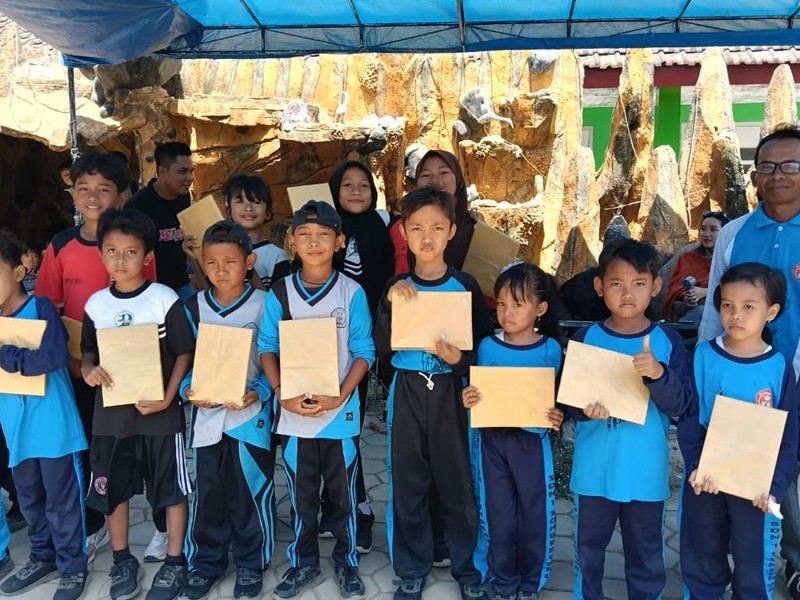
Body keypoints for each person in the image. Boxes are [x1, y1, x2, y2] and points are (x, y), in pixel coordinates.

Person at [36, 151, 158, 564]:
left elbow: (152, 307)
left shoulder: (139, 245)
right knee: (92, 449)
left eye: (103, 189)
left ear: (122, 196)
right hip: (80, 371)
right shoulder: (60, 246)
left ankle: (161, 524)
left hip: (135, 368)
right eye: (83, 188)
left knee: (143, 447)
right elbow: (48, 311)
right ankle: (95, 525)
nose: (92, 197)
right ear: (71, 191)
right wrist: (74, 365)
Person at [373, 187, 493, 600]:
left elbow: (483, 349)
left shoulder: (464, 286)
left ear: (452, 231)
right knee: (408, 481)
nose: (427, 237)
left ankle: (468, 568)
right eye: (418, 228)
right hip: (408, 391)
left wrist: (459, 361)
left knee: (458, 480)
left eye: (437, 228)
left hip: (451, 394)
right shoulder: (397, 286)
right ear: (403, 232)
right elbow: (382, 347)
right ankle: (411, 567)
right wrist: (389, 304)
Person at [697, 126, 800, 598]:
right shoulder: (733, 234)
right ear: (754, 175)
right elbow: (713, 311)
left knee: (789, 473)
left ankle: (793, 560)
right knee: (735, 467)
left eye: (791, 165)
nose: (778, 175)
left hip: (792, 374)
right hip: (740, 375)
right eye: (768, 166)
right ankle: (722, 564)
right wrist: (705, 366)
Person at [258, 200, 375, 600]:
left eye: (323, 235)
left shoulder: (351, 292)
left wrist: (340, 395)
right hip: (294, 416)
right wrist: (281, 394)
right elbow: (267, 346)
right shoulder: (280, 292)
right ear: (291, 241)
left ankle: (347, 561)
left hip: (339, 415)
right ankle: (303, 562)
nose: (314, 242)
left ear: (339, 242)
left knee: (343, 496)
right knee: (302, 495)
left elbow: (364, 351)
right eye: (304, 235)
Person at [568, 238, 693, 600]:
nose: (627, 293)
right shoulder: (586, 337)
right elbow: (569, 402)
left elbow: (681, 405)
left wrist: (658, 374)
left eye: (638, 283)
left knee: (646, 552)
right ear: (599, 286)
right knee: (588, 550)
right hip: (594, 470)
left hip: (644, 470)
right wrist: (583, 410)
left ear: (655, 286)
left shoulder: (666, 341)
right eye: (616, 283)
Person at [80, 208, 195, 600]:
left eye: (131, 252)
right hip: (112, 418)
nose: (120, 259)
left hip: (160, 415)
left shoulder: (162, 299)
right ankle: (122, 559)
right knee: (112, 489)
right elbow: (88, 351)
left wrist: (168, 397)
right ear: (101, 255)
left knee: (171, 487)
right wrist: (88, 369)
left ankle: (175, 560)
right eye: (112, 251)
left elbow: (184, 351)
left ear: (147, 256)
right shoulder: (96, 305)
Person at [679, 263, 798, 598]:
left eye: (748, 307)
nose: (736, 315)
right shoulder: (704, 355)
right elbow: (690, 415)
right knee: (703, 549)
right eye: (727, 305)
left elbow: (788, 434)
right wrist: (696, 464)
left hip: (756, 485)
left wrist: (774, 487)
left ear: (771, 312)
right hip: (708, 476)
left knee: (752, 558)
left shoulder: (779, 365)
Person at [180, 221, 275, 599]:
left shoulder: (265, 304)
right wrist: (188, 389)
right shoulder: (195, 306)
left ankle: (251, 563)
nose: (220, 270)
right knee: (209, 492)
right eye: (212, 262)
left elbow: (276, 356)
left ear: (249, 262)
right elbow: (186, 359)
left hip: (249, 417)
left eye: (230, 261)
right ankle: (206, 562)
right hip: (207, 416)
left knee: (249, 490)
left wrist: (261, 392)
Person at [461, 262, 565, 600]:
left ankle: (531, 582)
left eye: (518, 304)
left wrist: (559, 414)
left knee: (535, 514)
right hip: (492, 442)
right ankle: (503, 581)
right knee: (498, 514)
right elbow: (476, 390)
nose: (506, 313)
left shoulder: (551, 350)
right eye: (502, 303)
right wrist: (469, 397)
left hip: (532, 444)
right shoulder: (488, 346)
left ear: (541, 309)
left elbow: (560, 400)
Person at [0, 233, 88, 600]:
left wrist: (8, 355)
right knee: (30, 499)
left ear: (19, 272)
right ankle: (42, 556)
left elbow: (52, 358)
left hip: (54, 429)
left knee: (62, 501)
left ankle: (73, 566)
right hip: (16, 430)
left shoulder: (40, 307)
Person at [317, 161, 394, 552]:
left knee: (348, 426)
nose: (356, 191)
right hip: (321, 342)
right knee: (323, 427)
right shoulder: (322, 229)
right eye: (347, 185)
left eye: (364, 184)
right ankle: (333, 503)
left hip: (363, 345)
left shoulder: (381, 228)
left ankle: (357, 509)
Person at [127, 141, 194, 302]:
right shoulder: (138, 206)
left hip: (181, 283)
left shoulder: (183, 197)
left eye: (191, 171)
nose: (189, 178)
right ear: (162, 171)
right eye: (182, 171)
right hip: (149, 290)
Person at [662, 210, 729, 322]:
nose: (706, 234)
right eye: (703, 229)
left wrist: (705, 292)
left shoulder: (730, 260)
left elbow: (736, 288)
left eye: (713, 230)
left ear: (725, 232)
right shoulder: (688, 258)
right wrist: (688, 295)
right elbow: (674, 289)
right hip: (685, 312)